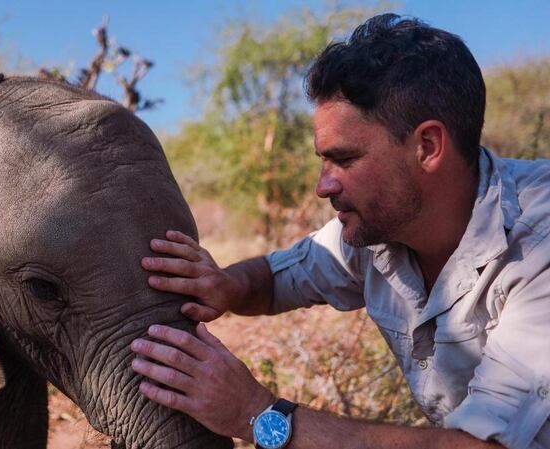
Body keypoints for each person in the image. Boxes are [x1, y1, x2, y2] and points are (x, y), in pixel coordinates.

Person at [129, 13, 550, 449]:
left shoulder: (538, 243)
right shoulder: (379, 230)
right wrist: (226, 286)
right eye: (323, 162)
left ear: (427, 146)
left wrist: (256, 412)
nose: (323, 187)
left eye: (344, 160)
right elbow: (274, 280)